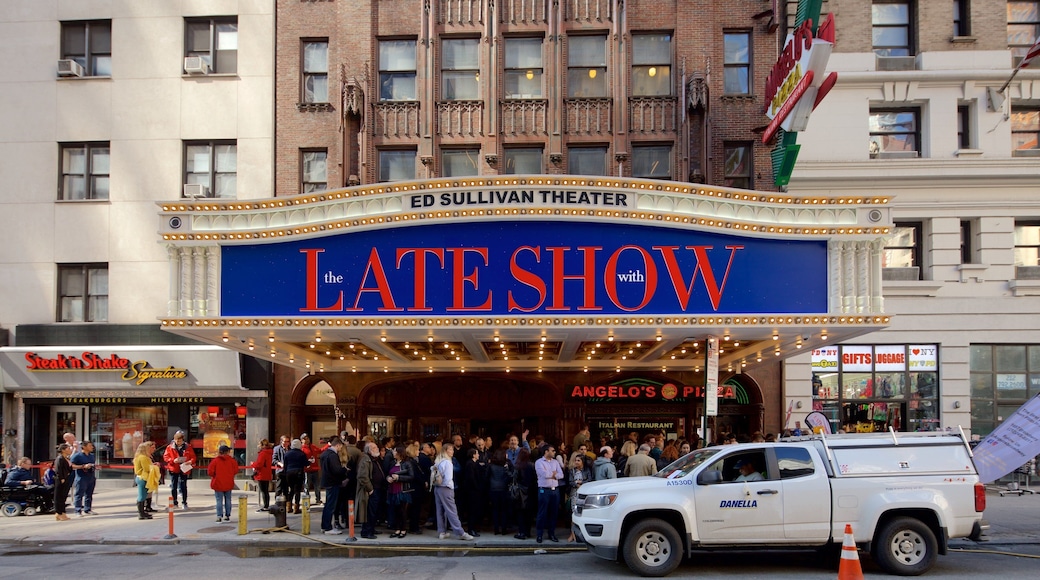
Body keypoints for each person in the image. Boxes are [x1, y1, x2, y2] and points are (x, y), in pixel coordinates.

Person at [432, 443, 473, 541]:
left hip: (437, 488)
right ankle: (460, 532)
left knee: (440, 510)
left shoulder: (438, 461)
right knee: (452, 511)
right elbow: (448, 478)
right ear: (446, 451)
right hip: (446, 488)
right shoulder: (448, 463)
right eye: (451, 450)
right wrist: (451, 487)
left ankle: (442, 532)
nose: (453, 452)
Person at [386, 445, 417, 538]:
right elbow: (388, 473)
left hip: (402, 490)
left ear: (399, 453)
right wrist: (388, 478)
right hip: (393, 489)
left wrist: (399, 477)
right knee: (395, 510)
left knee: (402, 510)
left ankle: (403, 529)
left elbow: (411, 477)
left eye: (395, 451)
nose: (393, 453)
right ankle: (397, 529)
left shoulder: (407, 463)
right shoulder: (392, 463)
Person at [534, 444, 562, 543]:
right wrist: (553, 474)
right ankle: (539, 534)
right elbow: (543, 474)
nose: (554, 452)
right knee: (542, 512)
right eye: (553, 450)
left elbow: (561, 474)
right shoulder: (539, 462)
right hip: (544, 490)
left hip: (555, 490)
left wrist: (553, 475)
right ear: (546, 451)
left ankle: (552, 533)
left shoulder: (555, 462)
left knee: (553, 513)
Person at [319, 436, 348, 535]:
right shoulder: (333, 455)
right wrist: (345, 470)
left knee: (328, 505)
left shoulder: (325, 454)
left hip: (327, 481)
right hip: (333, 482)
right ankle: (327, 527)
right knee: (331, 506)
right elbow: (337, 470)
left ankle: (325, 526)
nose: (341, 449)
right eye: (340, 446)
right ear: (338, 445)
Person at [163, 430, 196, 510]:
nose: (178, 443)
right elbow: (165, 457)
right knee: (173, 486)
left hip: (184, 468)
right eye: (177, 441)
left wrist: (190, 461)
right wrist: (172, 460)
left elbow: (193, 457)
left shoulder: (188, 447)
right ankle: (175, 502)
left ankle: (184, 502)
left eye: (180, 441)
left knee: (183, 485)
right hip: (174, 468)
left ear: (183, 440)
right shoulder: (170, 447)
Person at [208, 443, 239, 522]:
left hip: (218, 483)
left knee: (219, 500)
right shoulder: (232, 461)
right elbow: (236, 471)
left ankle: (219, 516)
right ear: (227, 452)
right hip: (228, 483)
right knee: (228, 500)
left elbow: (210, 472)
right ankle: (227, 515)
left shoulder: (215, 461)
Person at [512, 448, 536, 540]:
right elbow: (534, 479)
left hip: (520, 491)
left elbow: (515, 479)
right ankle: (527, 532)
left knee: (520, 513)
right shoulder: (532, 465)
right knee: (528, 513)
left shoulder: (517, 466)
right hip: (530, 491)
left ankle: (521, 532)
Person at [70, 440, 98, 516]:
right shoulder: (77, 456)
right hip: (81, 477)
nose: (92, 447)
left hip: (91, 477)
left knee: (89, 494)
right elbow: (71, 465)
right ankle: (77, 510)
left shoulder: (91, 455)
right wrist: (83, 466)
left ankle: (87, 509)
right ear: (84, 447)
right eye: (90, 446)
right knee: (79, 494)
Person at [283, 438, 309, 514]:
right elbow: (306, 464)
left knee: (291, 490)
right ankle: (296, 507)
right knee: (297, 490)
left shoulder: (287, 453)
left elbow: (285, 465)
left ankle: (289, 507)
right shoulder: (301, 454)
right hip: (298, 472)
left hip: (289, 473)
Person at [249, 439, 274, 511]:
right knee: (265, 490)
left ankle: (265, 506)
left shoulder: (263, 453)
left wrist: (253, 464)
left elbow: (259, 464)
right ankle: (266, 505)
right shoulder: (269, 453)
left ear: (262, 445)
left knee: (263, 490)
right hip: (267, 472)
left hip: (262, 473)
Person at [52, 443, 74, 521]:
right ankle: (59, 513)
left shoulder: (66, 458)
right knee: (59, 496)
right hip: (61, 479)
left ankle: (62, 512)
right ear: (63, 450)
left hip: (67, 478)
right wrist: (61, 477)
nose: (70, 450)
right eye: (68, 449)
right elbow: (58, 469)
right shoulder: (60, 458)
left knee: (63, 496)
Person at [133, 442, 154, 520]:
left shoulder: (138, 457)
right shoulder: (144, 457)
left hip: (140, 477)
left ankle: (142, 512)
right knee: (142, 495)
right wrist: (154, 466)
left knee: (143, 495)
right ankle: (141, 513)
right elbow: (147, 468)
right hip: (143, 477)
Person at [301, 434, 322, 505]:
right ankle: (306, 500)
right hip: (307, 470)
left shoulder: (312, 446)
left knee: (317, 485)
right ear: (302, 440)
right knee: (306, 485)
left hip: (315, 469)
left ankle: (318, 499)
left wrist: (328, 445)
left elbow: (320, 450)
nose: (307, 440)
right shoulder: (301, 449)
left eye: (307, 438)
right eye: (304, 439)